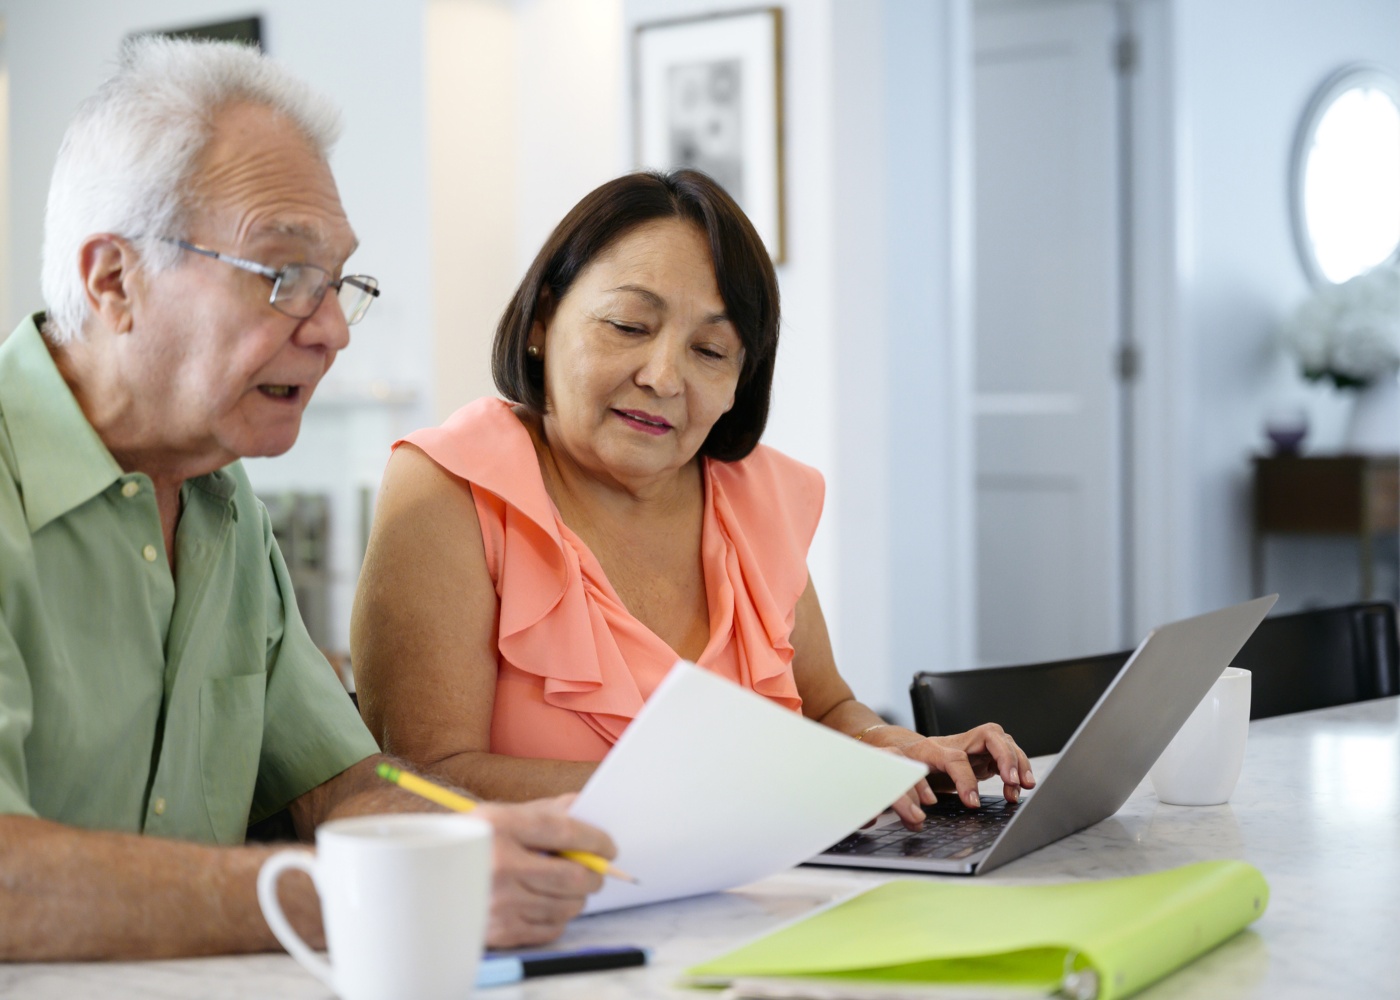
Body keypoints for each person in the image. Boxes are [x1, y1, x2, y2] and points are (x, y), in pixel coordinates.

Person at [0, 36, 614, 961]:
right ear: (113, 280)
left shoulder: (224, 499)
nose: (331, 331)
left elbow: (341, 788)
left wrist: (525, 843)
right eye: (283, 276)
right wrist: (377, 893)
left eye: (337, 285)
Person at [352, 170, 1035, 828]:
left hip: (765, 895)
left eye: (710, 349)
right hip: (551, 911)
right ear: (541, 321)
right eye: (626, 325)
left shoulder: (755, 494)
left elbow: (827, 711)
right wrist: (724, 789)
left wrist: (888, 748)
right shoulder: (450, 488)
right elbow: (417, 779)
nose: (663, 377)